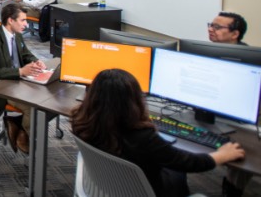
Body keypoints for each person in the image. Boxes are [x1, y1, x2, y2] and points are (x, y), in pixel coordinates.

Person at [71, 69, 245, 197]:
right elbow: (189, 163)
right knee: (177, 168)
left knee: (170, 164)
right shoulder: (142, 136)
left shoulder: (80, 120)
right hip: (146, 191)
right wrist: (222, 155)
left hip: (105, 184)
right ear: (133, 102)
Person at [0, 3, 45, 154]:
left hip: (19, 81)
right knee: (34, 108)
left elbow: (26, 53)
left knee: (45, 99)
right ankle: (30, 146)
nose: (26, 24)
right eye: (23, 20)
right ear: (10, 21)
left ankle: (17, 127)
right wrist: (20, 71)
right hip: (2, 86)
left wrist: (36, 61)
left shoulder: (16, 34)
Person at [206, 12, 251, 196]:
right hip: (207, 110)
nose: (210, 30)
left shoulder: (250, 60)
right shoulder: (203, 52)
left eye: (217, 27)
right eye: (210, 25)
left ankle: (232, 189)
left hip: (241, 118)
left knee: (243, 149)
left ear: (235, 34)